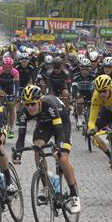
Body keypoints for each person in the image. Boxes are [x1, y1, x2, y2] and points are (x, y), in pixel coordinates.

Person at [13, 85, 81, 214]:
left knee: (63, 158)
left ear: (40, 101)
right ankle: (46, 186)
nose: (30, 108)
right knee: (37, 146)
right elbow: (21, 137)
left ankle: (74, 195)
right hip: (44, 124)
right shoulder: (23, 111)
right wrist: (18, 153)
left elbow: (59, 132)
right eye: (27, 105)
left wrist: (58, 148)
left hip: (61, 122)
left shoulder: (49, 105)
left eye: (33, 104)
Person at [0, 56, 20, 139]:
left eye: (10, 66)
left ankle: (11, 128)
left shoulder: (15, 72)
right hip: (1, 87)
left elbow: (16, 84)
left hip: (11, 88)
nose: (8, 68)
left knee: (12, 107)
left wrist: (15, 94)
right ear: (3, 65)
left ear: (12, 66)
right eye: (6, 66)